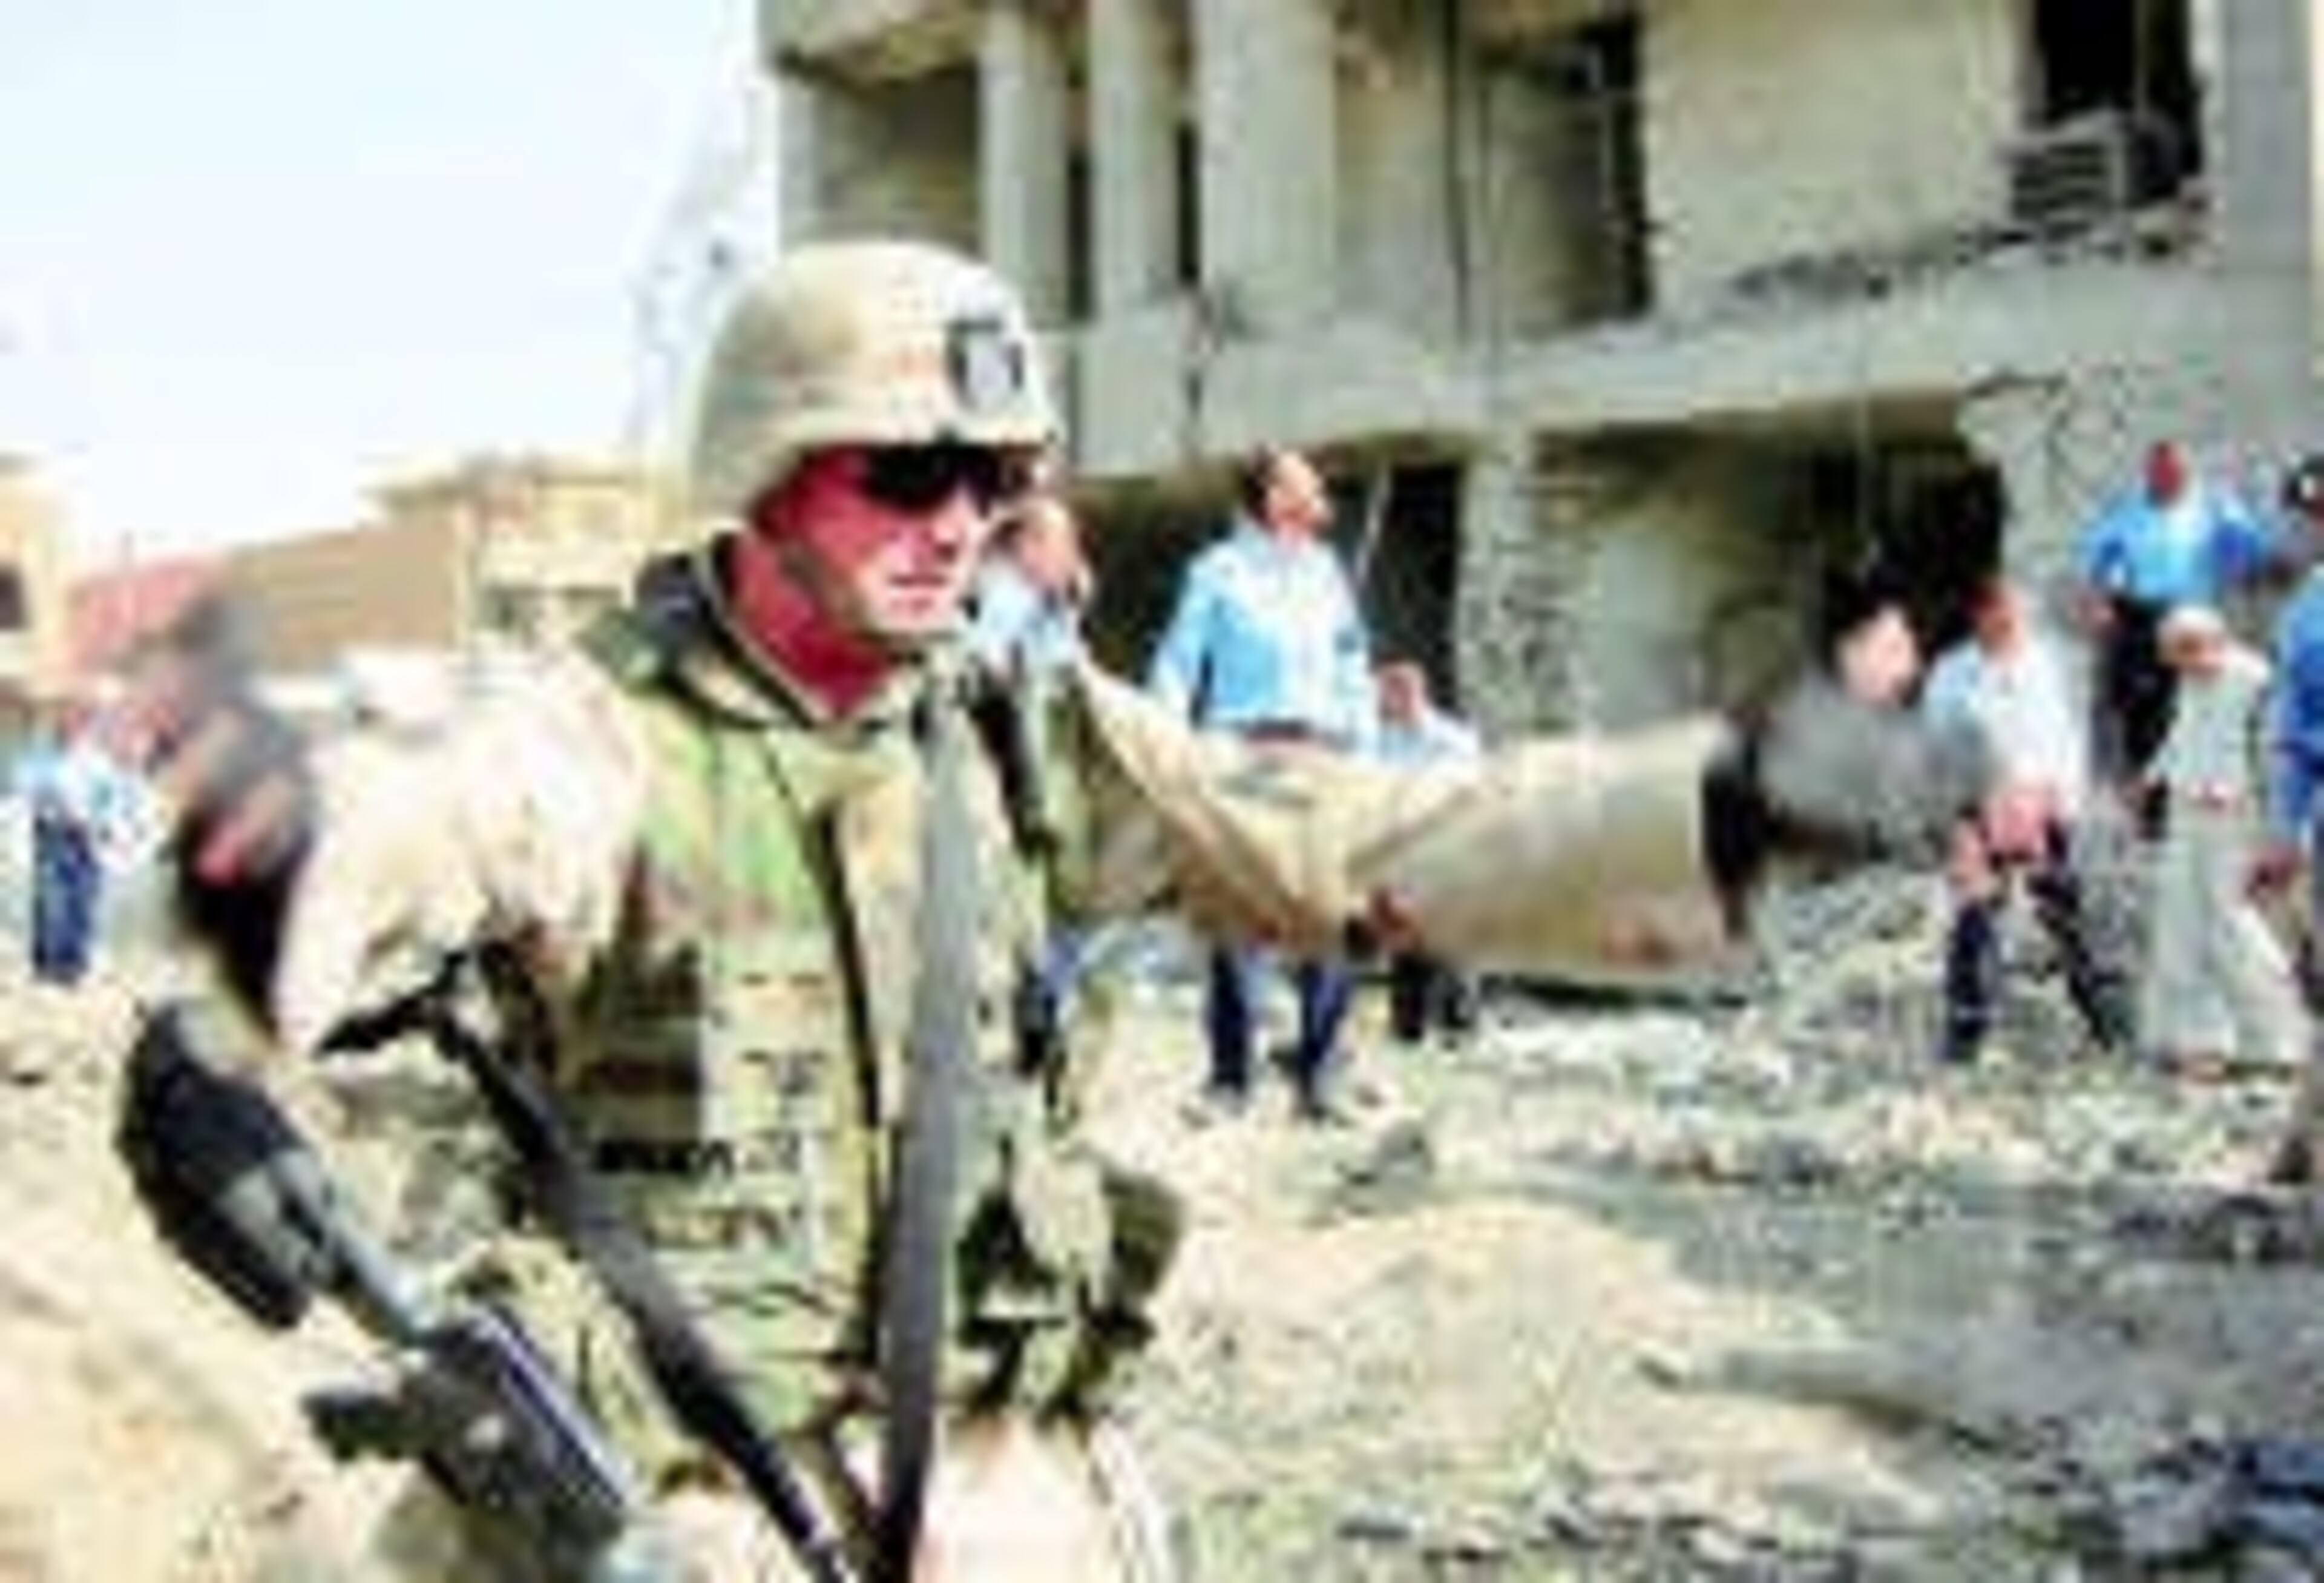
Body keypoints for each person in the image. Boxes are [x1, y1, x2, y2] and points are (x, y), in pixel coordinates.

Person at [131, 237, 1989, 1581]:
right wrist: (231, 994)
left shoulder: (1022, 730)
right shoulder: (599, 732)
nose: (961, 521)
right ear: (762, 476)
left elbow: (1368, 837)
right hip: (666, 1488)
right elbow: (393, 813)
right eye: (906, 473)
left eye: (998, 480)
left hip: (981, 1466)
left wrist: (1733, 798)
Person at [1145, 445, 1376, 1122]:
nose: (1321, 492)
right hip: (1240, 750)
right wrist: (1171, 749)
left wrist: (1363, 751)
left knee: (1330, 914)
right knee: (1235, 916)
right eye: (1307, 483)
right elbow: (1179, 662)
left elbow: (1352, 665)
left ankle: (1321, 1079)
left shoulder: (1327, 571)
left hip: (1322, 752)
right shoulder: (1218, 570)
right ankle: (1230, 1081)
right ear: (1273, 498)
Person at [1921, 575, 2132, 1065]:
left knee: (2063, 909)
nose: (2009, 623)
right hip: (1977, 804)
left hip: (2041, 801)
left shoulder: (2045, 665)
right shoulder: (1951, 673)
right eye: (1998, 614)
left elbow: (2063, 738)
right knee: (1976, 914)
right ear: (1978, 617)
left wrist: (2064, 801)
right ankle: (1964, 1032)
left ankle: (2106, 1021)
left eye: (2016, 615)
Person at [2134, 603, 2308, 1080]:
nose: (2180, 669)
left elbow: (2274, 749)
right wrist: (2153, 774)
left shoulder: (2256, 681)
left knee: (2235, 924)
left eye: (2181, 655)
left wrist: (2240, 793)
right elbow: (2182, 730)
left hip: (2236, 818)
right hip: (2187, 811)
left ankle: (2279, 1039)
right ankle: (2200, 1040)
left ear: (2206, 643)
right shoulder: (2191, 679)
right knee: (2182, 922)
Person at [2070, 439, 2280, 797]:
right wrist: (2097, 603)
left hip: (2194, 615)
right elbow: (2094, 562)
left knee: (2197, 703)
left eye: (2176, 471)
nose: (2168, 478)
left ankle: (2201, 783)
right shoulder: (2127, 513)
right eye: (2160, 471)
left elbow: (2255, 555)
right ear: (2148, 473)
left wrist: (2236, 527)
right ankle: (2143, 786)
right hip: (2141, 614)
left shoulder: (2211, 509)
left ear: (2187, 473)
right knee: (2138, 705)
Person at [1373, 660, 1483, 1048]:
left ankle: (1459, 1023)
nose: (1381, 704)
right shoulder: (1382, 739)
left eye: (1387, 696)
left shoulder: (1453, 739)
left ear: (1411, 694)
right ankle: (1408, 1024)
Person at [11, 699, 132, 985]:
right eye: (63, 723)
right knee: (50, 900)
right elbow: (23, 788)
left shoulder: (97, 760)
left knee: (84, 900)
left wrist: (108, 826)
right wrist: (47, 805)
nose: (69, 729)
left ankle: (74, 967)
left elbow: (114, 794)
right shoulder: (40, 756)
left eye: (76, 724)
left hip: (88, 836)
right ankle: (46, 966)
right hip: (53, 833)